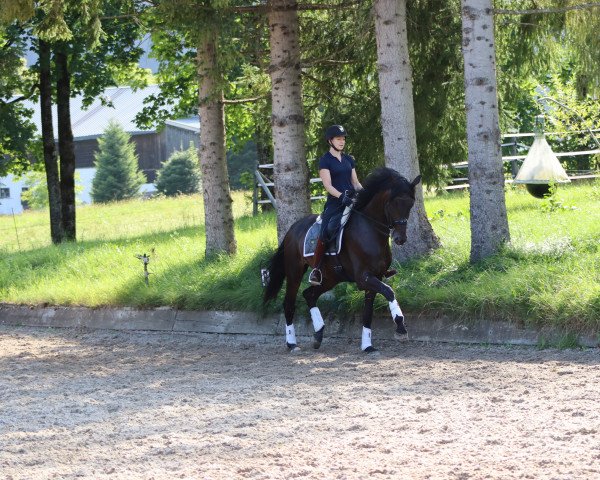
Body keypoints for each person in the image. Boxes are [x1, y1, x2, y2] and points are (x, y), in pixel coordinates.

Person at [308, 124, 363, 286]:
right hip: (335, 203)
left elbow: (356, 182)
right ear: (330, 141)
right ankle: (316, 269)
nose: (342, 141)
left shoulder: (348, 159)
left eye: (343, 139)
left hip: (352, 200)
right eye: (339, 139)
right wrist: (341, 196)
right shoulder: (325, 160)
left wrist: (366, 194)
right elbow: (328, 185)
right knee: (326, 231)